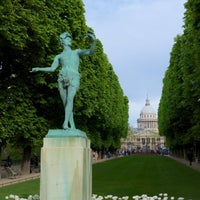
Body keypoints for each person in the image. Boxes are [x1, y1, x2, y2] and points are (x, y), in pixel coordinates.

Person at [31, 31, 96, 130]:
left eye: (70, 38)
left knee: (70, 99)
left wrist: (93, 41)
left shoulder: (76, 52)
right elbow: (52, 69)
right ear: (62, 41)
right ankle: (72, 127)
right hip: (62, 78)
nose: (70, 40)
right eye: (67, 38)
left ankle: (65, 123)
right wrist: (39, 68)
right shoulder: (59, 56)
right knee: (66, 104)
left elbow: (90, 52)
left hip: (73, 77)